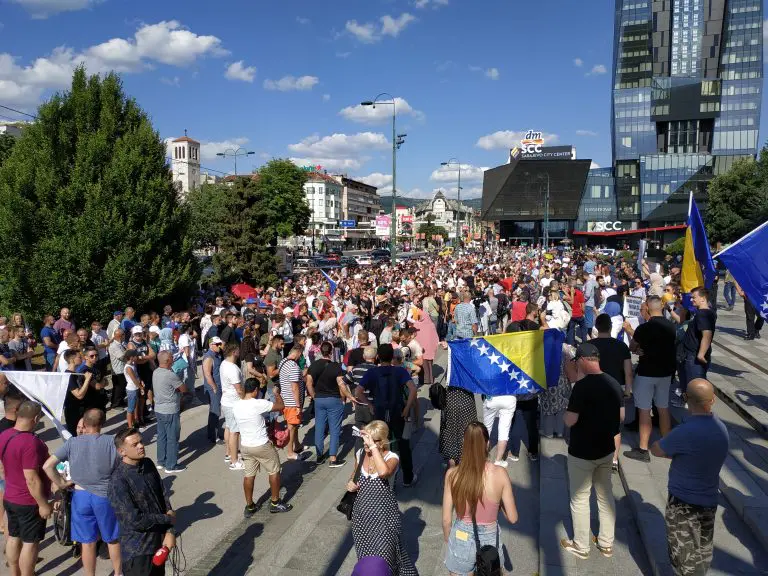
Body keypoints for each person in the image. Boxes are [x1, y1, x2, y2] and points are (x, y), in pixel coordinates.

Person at [650, 379, 729, 576]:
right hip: (709, 500)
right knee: (702, 551)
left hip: (683, 503)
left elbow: (657, 449)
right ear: (713, 400)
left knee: (683, 557)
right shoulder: (721, 428)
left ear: (685, 398)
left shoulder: (685, 432)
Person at [561, 343, 624, 560]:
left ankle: (581, 545)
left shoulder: (582, 387)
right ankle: (606, 543)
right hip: (606, 450)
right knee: (605, 496)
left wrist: (566, 414)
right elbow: (622, 416)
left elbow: (570, 420)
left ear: (581, 360)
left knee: (580, 498)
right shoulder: (613, 383)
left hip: (582, 451)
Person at [42, 408, 122, 576]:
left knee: (87, 542)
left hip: (80, 497)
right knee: (112, 539)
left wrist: (62, 484)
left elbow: (47, 466)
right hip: (104, 496)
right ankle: (118, 572)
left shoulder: (72, 443)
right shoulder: (111, 442)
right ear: (103, 423)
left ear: (84, 423)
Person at [442, 421, 518, 576]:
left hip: (461, 536)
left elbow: (446, 520)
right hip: (490, 539)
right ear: (488, 444)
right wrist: (498, 504)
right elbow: (513, 518)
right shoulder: (500, 474)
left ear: (464, 443)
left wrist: (450, 541)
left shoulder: (452, 475)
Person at [347, 420, 417, 576]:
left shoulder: (392, 457)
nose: (366, 443)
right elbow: (354, 476)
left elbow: (384, 472)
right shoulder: (360, 454)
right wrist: (351, 483)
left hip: (384, 518)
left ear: (383, 441)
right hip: (362, 517)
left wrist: (372, 447)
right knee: (365, 558)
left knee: (386, 558)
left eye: (372, 440)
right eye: (365, 439)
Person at [108, 428, 176, 576]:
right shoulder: (118, 480)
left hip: (158, 544)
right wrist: (166, 519)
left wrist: (169, 530)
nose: (141, 446)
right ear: (122, 451)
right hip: (138, 552)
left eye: (141, 442)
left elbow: (163, 495)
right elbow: (133, 519)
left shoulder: (148, 464)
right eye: (135, 444)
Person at [0, 401, 52, 576]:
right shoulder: (30, 442)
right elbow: (31, 479)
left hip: (10, 497)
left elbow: (2, 467)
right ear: (35, 418)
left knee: (13, 537)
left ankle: (14, 573)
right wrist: (43, 504)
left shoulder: (4, 435)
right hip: (28, 502)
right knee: (30, 543)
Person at [624, 296, 677, 463]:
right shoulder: (671, 326)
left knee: (644, 410)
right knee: (663, 408)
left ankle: (643, 449)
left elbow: (632, 346)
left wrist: (638, 348)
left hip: (647, 372)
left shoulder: (645, 327)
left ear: (647, 308)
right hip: (665, 373)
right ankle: (667, 446)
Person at [232, 378, 293, 517]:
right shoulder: (258, 403)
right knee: (274, 471)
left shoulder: (236, 405)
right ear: (255, 390)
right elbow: (281, 406)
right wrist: (276, 393)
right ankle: (275, 503)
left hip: (246, 446)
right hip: (261, 445)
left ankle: (250, 506)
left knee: (249, 475)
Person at [359, 344, 418, 486]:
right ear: (392, 357)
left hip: (379, 412)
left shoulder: (372, 372)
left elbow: (358, 391)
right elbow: (413, 390)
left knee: (379, 443)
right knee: (403, 444)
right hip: (397, 411)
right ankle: (408, 477)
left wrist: (370, 405)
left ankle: (381, 474)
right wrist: (407, 408)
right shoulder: (400, 371)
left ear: (378, 357)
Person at [590, 313, 632, 469]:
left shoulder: (589, 346)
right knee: (614, 426)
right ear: (610, 327)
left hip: (594, 388)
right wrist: (628, 390)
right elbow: (628, 372)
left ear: (597, 327)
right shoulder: (621, 346)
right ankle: (613, 459)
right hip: (615, 388)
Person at [306, 340, 357, 467]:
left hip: (319, 399)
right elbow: (341, 384)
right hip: (334, 399)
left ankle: (319, 456)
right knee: (334, 429)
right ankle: (333, 458)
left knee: (319, 427)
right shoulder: (336, 366)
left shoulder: (314, 365)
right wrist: (349, 396)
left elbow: (308, 383)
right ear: (331, 352)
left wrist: (314, 396)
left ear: (320, 351)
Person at [153, 350, 188, 474]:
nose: (174, 359)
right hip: (170, 410)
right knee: (173, 438)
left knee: (162, 436)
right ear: (168, 361)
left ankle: (161, 461)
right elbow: (183, 389)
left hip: (159, 409)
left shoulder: (156, 372)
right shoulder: (170, 375)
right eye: (172, 358)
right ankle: (171, 465)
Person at [678, 287, 715, 394]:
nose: (691, 300)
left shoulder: (703, 314)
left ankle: (696, 404)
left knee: (696, 388)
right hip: (690, 355)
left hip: (694, 357)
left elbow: (707, 334)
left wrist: (701, 354)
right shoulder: (702, 312)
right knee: (691, 386)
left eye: (694, 297)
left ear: (703, 299)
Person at [278, 344, 307, 461]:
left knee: (294, 425)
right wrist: (298, 405)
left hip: (285, 399)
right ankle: (290, 452)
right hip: (292, 402)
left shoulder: (283, 362)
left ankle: (297, 445)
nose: (301, 357)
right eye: (301, 354)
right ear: (298, 353)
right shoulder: (293, 366)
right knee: (292, 426)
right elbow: (295, 387)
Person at [220, 342, 245, 469]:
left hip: (226, 401)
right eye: (238, 350)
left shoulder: (224, 363)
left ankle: (229, 453)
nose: (240, 352)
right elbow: (239, 389)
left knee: (229, 428)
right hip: (233, 403)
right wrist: (245, 399)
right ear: (234, 352)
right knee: (235, 432)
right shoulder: (233, 369)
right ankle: (234, 462)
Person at [202, 337, 224, 444]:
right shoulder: (209, 357)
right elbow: (207, 374)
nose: (220, 346)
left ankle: (211, 433)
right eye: (217, 344)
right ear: (211, 345)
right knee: (215, 412)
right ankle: (214, 437)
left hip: (218, 387)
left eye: (220, 344)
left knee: (214, 411)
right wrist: (214, 387)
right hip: (213, 389)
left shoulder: (217, 355)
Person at [109, 328, 128, 408]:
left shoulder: (122, 344)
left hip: (123, 369)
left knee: (122, 386)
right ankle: (115, 404)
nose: (125, 335)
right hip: (118, 370)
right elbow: (121, 357)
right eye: (124, 334)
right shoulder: (114, 346)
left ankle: (121, 401)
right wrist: (129, 350)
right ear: (120, 336)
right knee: (118, 388)